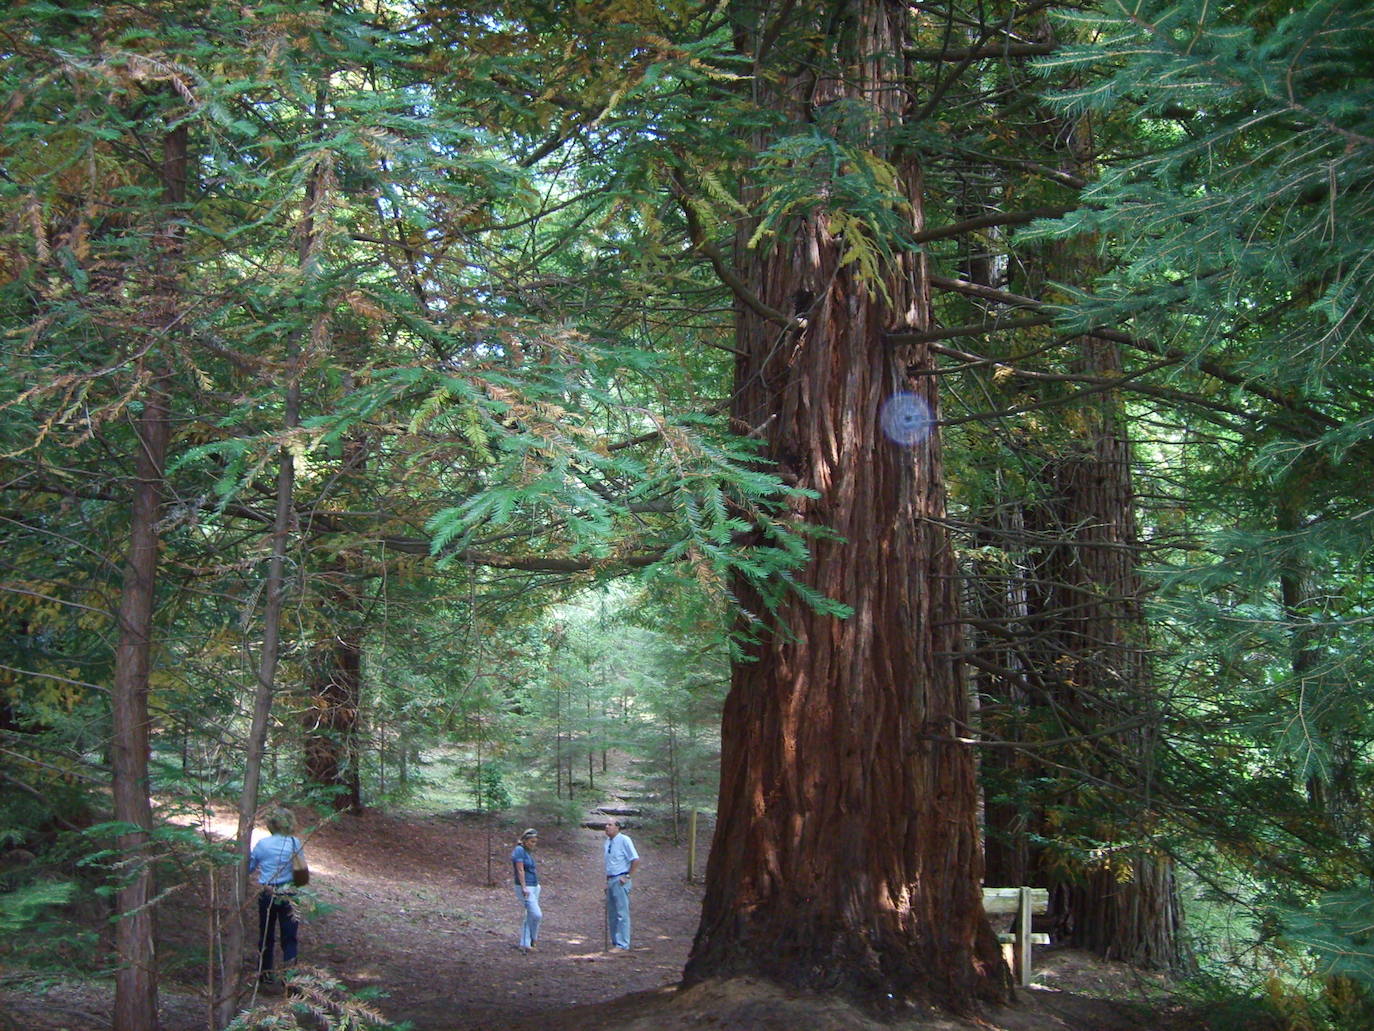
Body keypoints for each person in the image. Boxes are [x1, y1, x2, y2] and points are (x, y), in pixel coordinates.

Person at [247, 807, 304, 981]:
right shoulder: (295, 843)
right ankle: (291, 980)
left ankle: (264, 976)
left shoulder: (262, 844)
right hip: (289, 895)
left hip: (267, 893)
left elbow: (248, 868)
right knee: (289, 938)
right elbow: (302, 873)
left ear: (271, 824)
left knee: (266, 935)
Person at [602, 818, 639, 951]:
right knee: (612, 912)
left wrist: (627, 876)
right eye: (606, 825)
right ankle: (615, 941)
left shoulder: (624, 840)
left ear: (617, 827)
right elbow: (610, 864)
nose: (607, 827)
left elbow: (635, 859)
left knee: (622, 912)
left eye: (610, 824)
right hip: (611, 879)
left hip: (620, 879)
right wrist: (607, 882)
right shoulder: (607, 842)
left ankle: (623, 944)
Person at [511, 828, 541, 953]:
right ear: (525, 840)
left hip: (534, 886)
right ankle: (533, 938)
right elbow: (520, 870)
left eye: (535, 842)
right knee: (537, 914)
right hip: (525, 886)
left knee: (530, 914)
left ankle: (526, 943)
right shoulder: (519, 851)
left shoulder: (528, 852)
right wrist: (523, 886)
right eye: (532, 841)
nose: (533, 844)